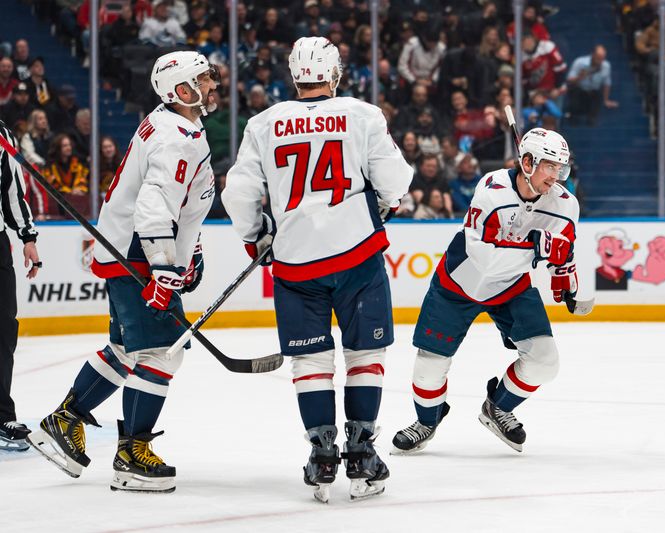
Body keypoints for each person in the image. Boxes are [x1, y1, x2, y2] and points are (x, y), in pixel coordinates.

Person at [222, 37, 413, 503]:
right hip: (357, 256)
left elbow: (239, 192)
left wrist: (255, 236)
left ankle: (323, 454)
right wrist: (385, 202)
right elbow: (396, 181)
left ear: (294, 76)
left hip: (295, 263)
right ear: (335, 74)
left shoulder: (264, 123)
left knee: (311, 363)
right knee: (365, 356)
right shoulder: (363, 114)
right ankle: (363, 452)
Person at [26, 51, 218, 493]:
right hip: (138, 253)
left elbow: (174, 201)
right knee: (162, 352)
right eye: (203, 79)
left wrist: (188, 249)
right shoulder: (178, 136)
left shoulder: (171, 122)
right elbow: (154, 208)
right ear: (182, 90)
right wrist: (166, 270)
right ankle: (132, 453)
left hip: (129, 247)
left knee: (125, 346)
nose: (212, 85)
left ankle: (64, 420)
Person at [392, 128, 579, 455]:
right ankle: (426, 421)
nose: (556, 175)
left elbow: (562, 249)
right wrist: (537, 247)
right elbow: (486, 260)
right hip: (460, 284)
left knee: (545, 362)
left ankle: (499, 407)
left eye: (560, 167)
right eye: (549, 165)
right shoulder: (491, 192)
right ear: (528, 162)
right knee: (429, 365)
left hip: (512, 287)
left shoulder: (564, 205)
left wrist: (566, 277)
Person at [0, 120, 41, 451]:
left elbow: (12, 189)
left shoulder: (1, 131)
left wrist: (27, 236)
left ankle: (1, 416)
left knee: (2, 329)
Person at [566, 45, 618, 126]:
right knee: (574, 92)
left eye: (602, 58)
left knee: (597, 95)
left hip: (594, 92)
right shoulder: (579, 62)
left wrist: (606, 100)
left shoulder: (606, 66)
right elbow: (569, 80)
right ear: (593, 54)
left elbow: (607, 84)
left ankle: (592, 119)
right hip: (579, 90)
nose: (600, 61)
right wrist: (579, 77)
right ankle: (573, 117)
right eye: (598, 57)